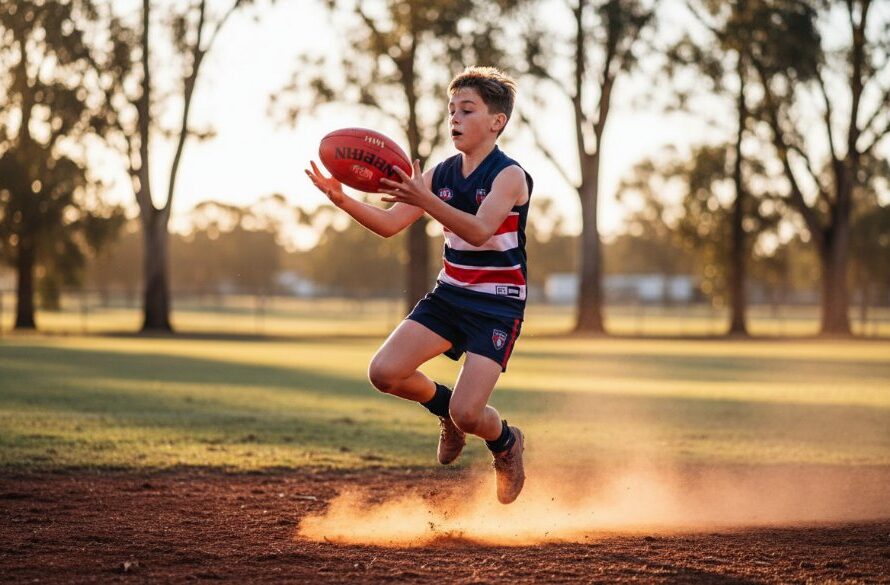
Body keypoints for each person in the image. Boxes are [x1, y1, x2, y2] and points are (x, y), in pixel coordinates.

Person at [305, 66, 532, 504]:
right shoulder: (439, 174)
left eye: (467, 110)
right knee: (385, 372)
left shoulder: (509, 176)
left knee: (470, 413)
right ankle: (441, 408)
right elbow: (391, 224)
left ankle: (505, 442)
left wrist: (424, 198)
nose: (455, 118)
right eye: (451, 110)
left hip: (497, 305)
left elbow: (481, 231)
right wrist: (342, 197)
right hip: (450, 295)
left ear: (496, 122)